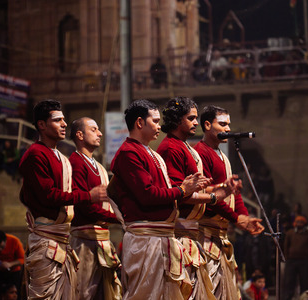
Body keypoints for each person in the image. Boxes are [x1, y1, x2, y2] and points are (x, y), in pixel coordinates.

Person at [108, 99, 211, 299]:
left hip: (159, 238)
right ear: (139, 123)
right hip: (145, 239)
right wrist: (182, 190)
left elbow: (162, 190)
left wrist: (185, 188)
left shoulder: (150, 152)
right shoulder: (129, 153)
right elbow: (148, 195)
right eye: (154, 121)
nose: (159, 126)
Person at [19, 99, 108, 299]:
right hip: (46, 241)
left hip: (62, 239)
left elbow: (27, 194)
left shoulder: (60, 156)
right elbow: (48, 195)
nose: (64, 124)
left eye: (64, 120)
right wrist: (89, 196)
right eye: (57, 120)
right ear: (41, 125)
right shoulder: (35, 154)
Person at [157, 97, 243, 299]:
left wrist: (218, 192)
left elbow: (193, 188)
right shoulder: (171, 147)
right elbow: (180, 194)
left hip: (191, 233)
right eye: (191, 118)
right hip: (181, 232)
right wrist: (214, 196)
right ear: (178, 120)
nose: (196, 122)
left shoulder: (183, 146)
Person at [194, 105, 264, 299]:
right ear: (207, 125)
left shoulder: (223, 156)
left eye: (229, 125)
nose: (227, 129)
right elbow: (209, 198)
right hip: (205, 234)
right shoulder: (200, 152)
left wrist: (244, 218)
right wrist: (235, 218)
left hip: (221, 234)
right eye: (222, 124)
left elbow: (234, 193)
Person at [69, 117, 122, 299]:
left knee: (104, 292)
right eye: (94, 129)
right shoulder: (75, 162)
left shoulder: (98, 165)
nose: (99, 133)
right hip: (85, 240)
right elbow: (84, 206)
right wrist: (118, 218)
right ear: (80, 135)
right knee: (83, 292)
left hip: (102, 238)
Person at [282, 215, 308, 300]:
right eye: (297, 222)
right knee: (289, 281)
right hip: (291, 261)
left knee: (304, 282)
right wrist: (287, 257)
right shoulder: (290, 233)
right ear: (295, 223)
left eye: (301, 222)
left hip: (303, 261)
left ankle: (303, 298)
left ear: (304, 223)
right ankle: (287, 298)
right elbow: (286, 246)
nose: (299, 223)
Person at [0, 230, 24, 297]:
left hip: (13, 272)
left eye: (2, 247)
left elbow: (22, 259)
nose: (0, 250)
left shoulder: (14, 241)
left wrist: (10, 264)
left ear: (6, 241)